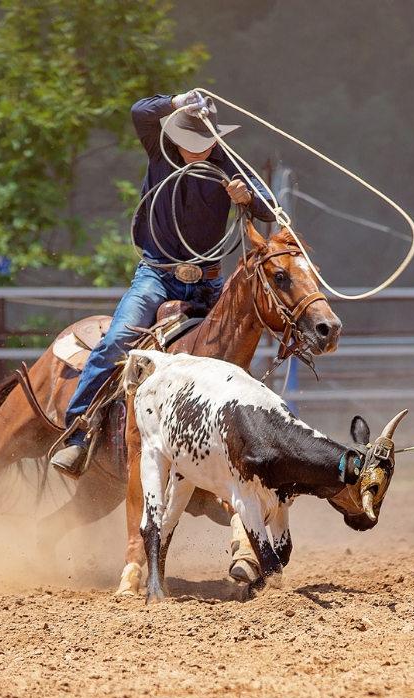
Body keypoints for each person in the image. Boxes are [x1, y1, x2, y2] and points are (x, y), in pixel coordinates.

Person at [51, 90, 276, 476]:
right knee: (118, 339)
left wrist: (248, 197)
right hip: (157, 276)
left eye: (203, 143)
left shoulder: (229, 165)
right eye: (189, 143)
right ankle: (80, 432)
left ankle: (247, 445)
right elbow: (139, 111)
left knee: (237, 354)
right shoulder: (161, 152)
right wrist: (175, 101)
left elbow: (272, 207)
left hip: (208, 281)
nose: (195, 152)